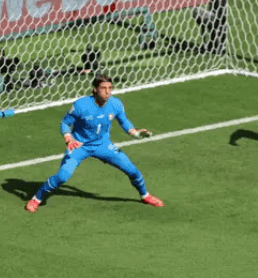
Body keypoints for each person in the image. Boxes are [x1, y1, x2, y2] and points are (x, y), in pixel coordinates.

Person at [25, 75, 164, 212]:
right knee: (62, 176)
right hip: (80, 146)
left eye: (110, 88)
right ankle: (36, 199)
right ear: (95, 89)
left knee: (133, 171)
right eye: (103, 88)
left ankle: (145, 195)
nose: (108, 92)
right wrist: (69, 138)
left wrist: (135, 133)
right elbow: (65, 123)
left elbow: (124, 121)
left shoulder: (115, 104)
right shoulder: (81, 105)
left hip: (103, 145)